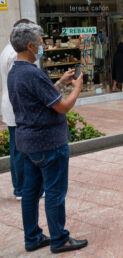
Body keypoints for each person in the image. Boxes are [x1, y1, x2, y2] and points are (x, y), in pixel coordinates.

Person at [8, 23, 88, 253]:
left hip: (27, 143)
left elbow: (39, 99)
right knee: (54, 192)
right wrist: (77, 88)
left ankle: (32, 237)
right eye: (41, 43)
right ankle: (59, 239)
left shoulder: (16, 72)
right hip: (49, 144)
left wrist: (61, 83)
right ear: (31, 45)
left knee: (30, 193)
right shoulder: (33, 73)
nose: (43, 46)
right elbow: (62, 107)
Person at [0, 19, 33, 201]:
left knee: (16, 148)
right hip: (16, 107)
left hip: (11, 105)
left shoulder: (7, 49)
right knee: (20, 149)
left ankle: (20, 186)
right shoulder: (15, 54)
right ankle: (21, 188)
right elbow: (19, 84)